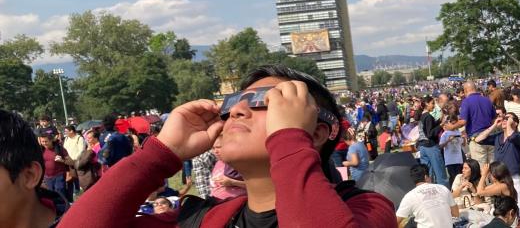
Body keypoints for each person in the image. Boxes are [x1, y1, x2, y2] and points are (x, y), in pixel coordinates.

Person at [59, 65, 397, 228]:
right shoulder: (206, 219)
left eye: (266, 100)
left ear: (318, 132)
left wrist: (290, 142)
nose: (235, 109)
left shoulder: (365, 209)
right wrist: (161, 154)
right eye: (235, 101)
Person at [0, 109, 69, 227]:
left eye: (44, 120)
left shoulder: (80, 222)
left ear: (29, 176)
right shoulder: (40, 131)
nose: (42, 122)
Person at [475, 113, 520, 213]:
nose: (504, 120)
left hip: (513, 176)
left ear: (515, 123)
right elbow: (478, 139)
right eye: (503, 118)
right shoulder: (498, 137)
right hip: (499, 177)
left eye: (507, 118)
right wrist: (494, 125)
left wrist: (509, 125)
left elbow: (512, 137)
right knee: (501, 206)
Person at [445, 81, 496, 167]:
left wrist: (452, 126)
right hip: (491, 136)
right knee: (493, 167)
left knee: (480, 168)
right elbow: (494, 119)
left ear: (465, 90)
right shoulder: (487, 100)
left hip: (477, 138)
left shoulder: (466, 101)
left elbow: (463, 121)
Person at [418, 96, 449, 187]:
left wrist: (440, 121)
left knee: (428, 173)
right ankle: (445, 190)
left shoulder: (423, 116)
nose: (434, 105)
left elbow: (430, 126)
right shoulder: (428, 116)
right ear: (427, 104)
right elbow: (430, 133)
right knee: (440, 172)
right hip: (430, 147)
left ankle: (429, 190)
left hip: (423, 147)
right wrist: (441, 125)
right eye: (432, 103)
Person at [39, 132, 73, 198]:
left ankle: (64, 207)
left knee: (60, 193)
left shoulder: (60, 149)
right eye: (42, 141)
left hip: (59, 176)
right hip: (47, 177)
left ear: (51, 140)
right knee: (51, 195)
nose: (44, 143)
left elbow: (71, 162)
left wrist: (62, 161)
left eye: (46, 141)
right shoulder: (41, 150)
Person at [439, 115, 464, 189]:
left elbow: (463, 144)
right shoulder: (445, 133)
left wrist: (464, 138)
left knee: (459, 176)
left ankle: (459, 191)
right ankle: (452, 192)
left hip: (459, 159)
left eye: (455, 123)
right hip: (450, 160)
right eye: (452, 124)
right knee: (453, 177)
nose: (454, 126)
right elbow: (440, 146)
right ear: (448, 123)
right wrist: (448, 140)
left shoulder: (458, 132)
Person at [63, 125, 86, 202]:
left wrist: (74, 160)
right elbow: (64, 149)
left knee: (78, 178)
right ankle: (71, 198)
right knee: (70, 179)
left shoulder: (79, 138)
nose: (65, 133)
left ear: (71, 131)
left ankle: (80, 194)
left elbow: (81, 151)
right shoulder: (66, 139)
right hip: (68, 162)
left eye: (66, 131)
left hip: (77, 162)